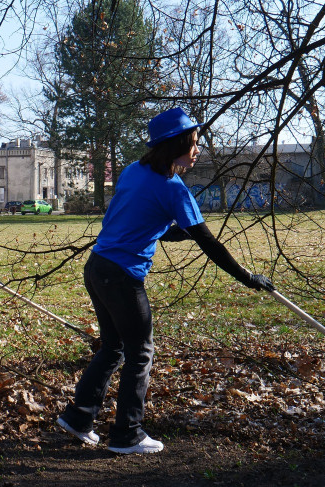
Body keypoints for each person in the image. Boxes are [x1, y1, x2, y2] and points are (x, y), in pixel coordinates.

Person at [56, 107, 274, 455]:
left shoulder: (132, 172)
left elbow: (139, 220)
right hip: (122, 277)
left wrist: (177, 233)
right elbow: (209, 242)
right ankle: (127, 434)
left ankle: (79, 418)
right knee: (140, 351)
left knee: (114, 347)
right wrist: (247, 277)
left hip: (97, 268)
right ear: (177, 143)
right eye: (194, 143)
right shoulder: (173, 189)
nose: (197, 150)